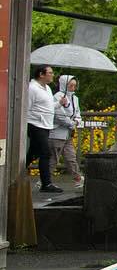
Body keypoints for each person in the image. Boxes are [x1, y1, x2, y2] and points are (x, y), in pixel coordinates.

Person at [26, 65, 61, 193]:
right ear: (41, 74)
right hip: (35, 124)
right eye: (50, 73)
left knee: (32, 153)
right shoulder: (32, 88)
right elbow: (26, 107)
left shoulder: (47, 89)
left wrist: (59, 104)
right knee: (45, 153)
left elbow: (49, 106)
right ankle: (46, 184)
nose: (52, 75)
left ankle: (17, 170)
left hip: (46, 125)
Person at [49, 74, 85, 184]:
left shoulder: (75, 98)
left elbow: (77, 112)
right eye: (70, 86)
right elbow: (58, 115)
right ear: (64, 85)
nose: (73, 88)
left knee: (71, 157)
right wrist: (71, 123)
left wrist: (78, 120)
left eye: (74, 86)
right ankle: (45, 179)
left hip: (68, 133)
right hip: (57, 132)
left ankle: (77, 178)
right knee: (53, 158)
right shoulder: (57, 96)